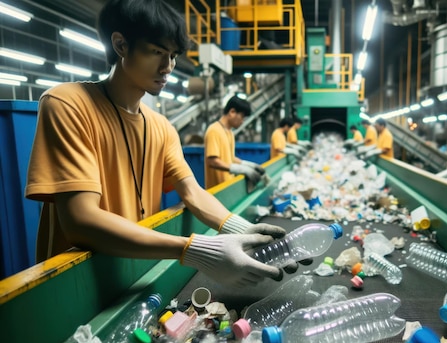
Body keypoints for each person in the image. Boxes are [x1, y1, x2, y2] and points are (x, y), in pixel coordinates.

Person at [25, 0, 294, 288]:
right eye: (157, 52)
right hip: (74, 286)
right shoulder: (68, 105)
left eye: (174, 55)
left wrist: (244, 230)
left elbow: (191, 191)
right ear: (121, 45)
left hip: (134, 271)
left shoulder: (162, 127)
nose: (168, 67)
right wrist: (195, 250)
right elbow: (81, 219)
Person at [204, 96, 265, 189]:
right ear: (232, 112)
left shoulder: (229, 132)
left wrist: (248, 165)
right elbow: (212, 161)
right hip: (218, 191)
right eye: (242, 117)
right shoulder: (214, 130)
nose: (242, 121)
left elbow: (229, 158)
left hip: (228, 186)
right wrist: (239, 169)